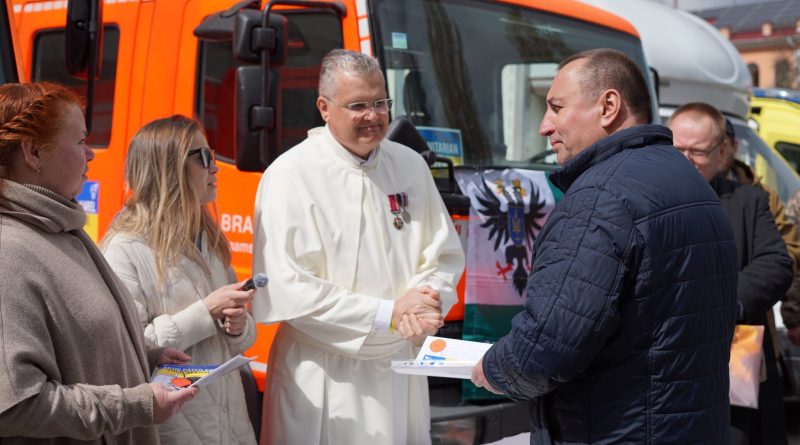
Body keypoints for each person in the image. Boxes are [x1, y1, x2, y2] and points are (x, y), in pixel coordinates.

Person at [470, 49, 740, 444]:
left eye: (557, 107)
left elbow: (546, 346)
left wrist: (493, 369)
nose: (546, 126)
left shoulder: (600, 196)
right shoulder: (688, 179)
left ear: (609, 106)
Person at [252, 49, 465, 445]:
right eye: (359, 105)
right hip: (326, 374)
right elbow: (287, 287)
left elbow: (443, 254)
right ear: (324, 108)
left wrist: (428, 300)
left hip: (398, 367)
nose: (374, 115)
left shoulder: (410, 165)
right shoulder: (289, 176)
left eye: (381, 102)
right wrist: (388, 313)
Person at [0, 82, 197, 444]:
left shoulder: (60, 228)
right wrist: (136, 404)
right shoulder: (8, 253)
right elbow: (16, 405)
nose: (91, 154)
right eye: (79, 142)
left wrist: (142, 357)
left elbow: (74, 347)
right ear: (33, 153)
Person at [101, 115, 257, 445]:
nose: (214, 167)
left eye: (212, 155)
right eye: (203, 157)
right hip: (174, 430)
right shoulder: (125, 247)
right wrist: (206, 311)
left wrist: (239, 325)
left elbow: (243, 338)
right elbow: (126, 347)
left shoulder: (209, 238)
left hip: (231, 428)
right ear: (168, 168)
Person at [669, 102, 792, 445]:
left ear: (722, 151)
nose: (685, 159)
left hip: (733, 359)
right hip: (666, 364)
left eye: (697, 151)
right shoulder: (642, 200)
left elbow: (777, 265)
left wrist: (720, 304)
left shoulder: (747, 201)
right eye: (676, 149)